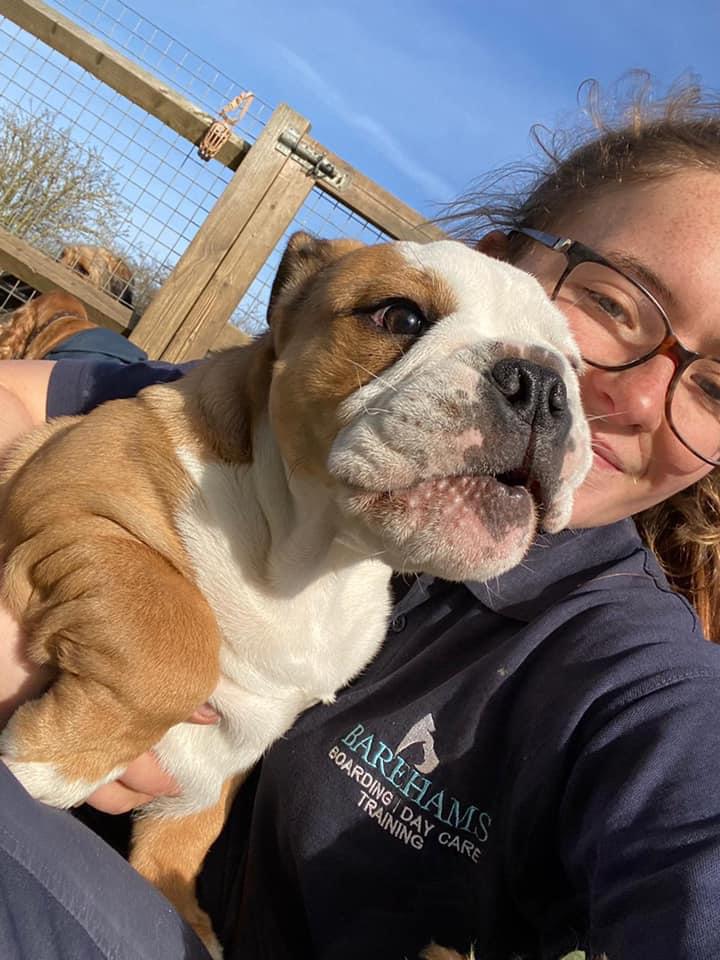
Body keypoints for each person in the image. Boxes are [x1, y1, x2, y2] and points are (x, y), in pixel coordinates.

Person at [2, 73, 720, 959]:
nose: (634, 401)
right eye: (609, 304)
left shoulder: (632, 671)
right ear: (499, 259)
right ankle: (67, 329)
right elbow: (43, 423)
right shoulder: (252, 403)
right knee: (101, 366)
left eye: (718, 387)